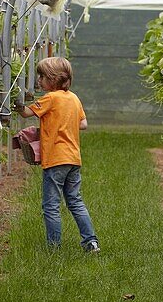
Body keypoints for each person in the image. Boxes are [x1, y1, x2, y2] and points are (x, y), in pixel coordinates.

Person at [15, 57, 100, 252]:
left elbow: (26, 113)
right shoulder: (74, 98)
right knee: (75, 201)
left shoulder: (50, 98)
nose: (39, 80)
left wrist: (16, 102)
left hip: (55, 159)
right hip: (73, 158)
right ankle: (91, 241)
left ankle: (54, 247)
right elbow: (83, 124)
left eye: (42, 76)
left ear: (52, 79)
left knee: (51, 205)